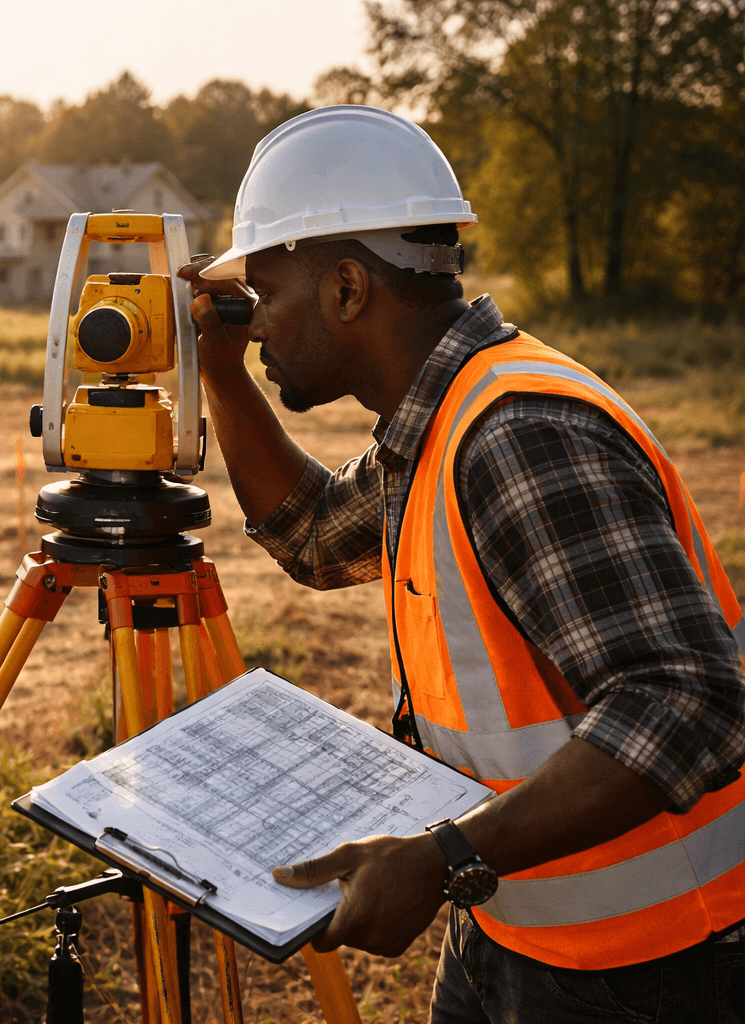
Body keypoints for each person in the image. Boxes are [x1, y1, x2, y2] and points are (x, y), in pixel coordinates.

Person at [183, 107, 745, 1021]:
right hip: (511, 922)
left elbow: (688, 701)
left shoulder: (518, 432)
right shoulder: (440, 420)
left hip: (646, 964)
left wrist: (442, 856)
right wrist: (220, 374)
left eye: (267, 295)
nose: (256, 327)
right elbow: (314, 534)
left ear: (348, 288)